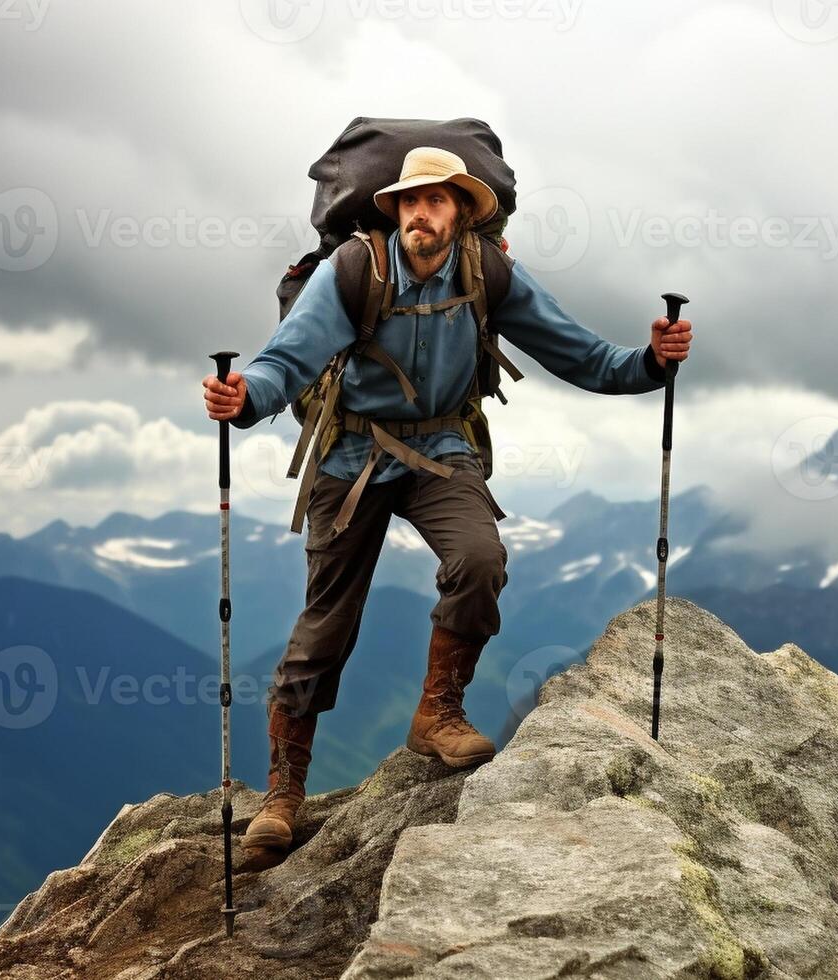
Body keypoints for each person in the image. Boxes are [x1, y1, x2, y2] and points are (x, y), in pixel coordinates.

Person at [201, 145, 693, 864]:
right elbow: (285, 361)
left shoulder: (487, 272)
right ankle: (282, 796)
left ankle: (438, 711)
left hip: (441, 450)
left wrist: (651, 361)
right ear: (394, 209)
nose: (419, 214)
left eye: (435, 201)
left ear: (463, 214)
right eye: (408, 201)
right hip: (351, 455)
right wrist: (244, 401)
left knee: (480, 558)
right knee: (325, 626)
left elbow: (583, 356)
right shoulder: (354, 272)